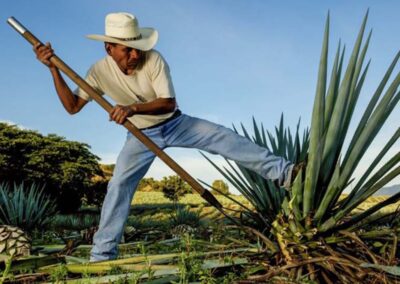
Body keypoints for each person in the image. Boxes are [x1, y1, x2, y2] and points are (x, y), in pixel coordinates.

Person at [34, 12, 296, 262]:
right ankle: (102, 255)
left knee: (222, 137)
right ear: (109, 49)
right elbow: (72, 107)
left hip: (174, 123)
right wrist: (52, 69)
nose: (135, 54)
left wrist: (131, 108)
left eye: (137, 47)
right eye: (127, 49)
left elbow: (168, 103)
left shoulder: (154, 59)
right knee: (118, 186)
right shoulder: (97, 72)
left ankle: (287, 174)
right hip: (139, 135)